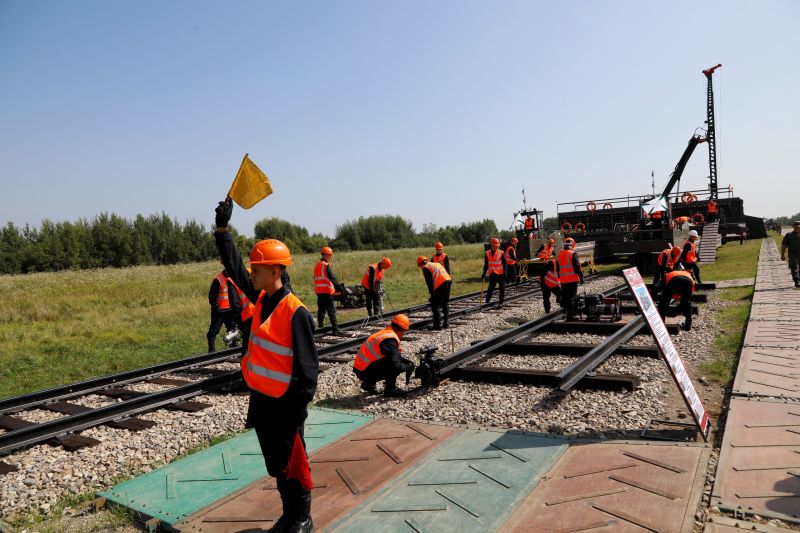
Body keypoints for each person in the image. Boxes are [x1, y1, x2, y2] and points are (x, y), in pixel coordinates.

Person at [214, 199, 318, 533]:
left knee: (294, 465)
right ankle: (288, 515)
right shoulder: (261, 299)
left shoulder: (295, 311)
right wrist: (222, 230)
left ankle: (302, 518)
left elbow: (307, 374)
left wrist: (295, 412)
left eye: (257, 269)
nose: (251, 273)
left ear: (275, 271)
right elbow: (233, 268)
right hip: (262, 403)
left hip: (286, 408)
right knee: (276, 465)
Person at [353, 314, 415, 397]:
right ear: (402, 330)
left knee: (393, 360)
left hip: (360, 368)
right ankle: (390, 390)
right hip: (365, 371)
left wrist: (405, 361)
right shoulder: (390, 340)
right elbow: (396, 365)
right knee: (394, 364)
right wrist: (408, 367)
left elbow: (389, 355)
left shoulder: (386, 333)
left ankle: (368, 384)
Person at [207, 264, 242, 352]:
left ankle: (233, 349)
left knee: (232, 330)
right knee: (213, 332)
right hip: (219, 311)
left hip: (230, 310)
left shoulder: (233, 278)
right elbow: (212, 298)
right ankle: (211, 351)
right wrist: (217, 310)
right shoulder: (218, 279)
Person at [314, 246, 344, 333]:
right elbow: (332, 278)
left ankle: (320, 327)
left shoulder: (317, 265)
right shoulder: (326, 265)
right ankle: (335, 329)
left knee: (321, 310)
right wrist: (340, 288)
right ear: (325, 255)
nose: (331, 257)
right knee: (331, 311)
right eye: (330, 255)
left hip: (319, 292)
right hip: (327, 291)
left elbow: (316, 279)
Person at [417, 256, 452, 329]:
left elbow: (429, 283)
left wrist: (432, 295)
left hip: (441, 283)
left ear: (421, 264)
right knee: (445, 303)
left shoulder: (426, 267)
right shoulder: (436, 264)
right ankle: (446, 323)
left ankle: (437, 325)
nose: (420, 268)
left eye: (419, 266)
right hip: (448, 281)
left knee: (435, 304)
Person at [656, 266, 695, 331]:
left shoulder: (668, 275)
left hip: (674, 280)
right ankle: (688, 325)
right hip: (688, 282)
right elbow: (686, 300)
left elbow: (656, 286)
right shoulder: (690, 278)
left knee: (663, 303)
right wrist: (676, 310)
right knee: (687, 303)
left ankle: (661, 324)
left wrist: (653, 295)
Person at [556, 237, 584, 320]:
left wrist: (559, 278)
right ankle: (571, 316)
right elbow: (577, 267)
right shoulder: (573, 254)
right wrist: (581, 277)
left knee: (566, 296)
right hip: (572, 279)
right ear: (572, 245)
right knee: (572, 297)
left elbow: (557, 269)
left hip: (563, 280)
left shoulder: (559, 254)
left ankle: (566, 310)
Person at [482, 237, 506, 306]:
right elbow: (486, 265)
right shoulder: (487, 253)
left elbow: (505, 264)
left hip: (501, 274)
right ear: (492, 245)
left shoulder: (501, 253)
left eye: (498, 246)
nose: (497, 247)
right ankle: (487, 301)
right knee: (490, 288)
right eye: (495, 246)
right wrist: (484, 273)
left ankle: (501, 302)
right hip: (492, 273)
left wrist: (505, 273)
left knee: (502, 288)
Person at [781, 221, 800, 288]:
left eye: (798, 227)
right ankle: (796, 282)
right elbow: (783, 246)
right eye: (796, 227)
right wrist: (782, 255)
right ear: (793, 227)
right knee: (794, 267)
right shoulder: (789, 235)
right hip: (793, 254)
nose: (797, 228)